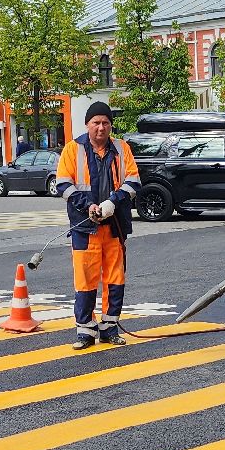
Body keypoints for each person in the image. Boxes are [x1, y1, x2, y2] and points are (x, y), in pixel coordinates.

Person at [55, 102, 140, 350]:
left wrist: (113, 202)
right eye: (96, 123)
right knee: (85, 280)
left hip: (114, 226)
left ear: (110, 125)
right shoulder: (73, 150)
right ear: (87, 125)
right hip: (85, 227)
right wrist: (88, 206)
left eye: (105, 123)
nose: (101, 127)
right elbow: (63, 184)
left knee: (115, 279)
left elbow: (134, 181)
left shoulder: (122, 148)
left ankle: (109, 327)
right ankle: (85, 330)